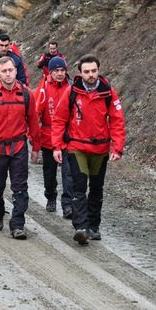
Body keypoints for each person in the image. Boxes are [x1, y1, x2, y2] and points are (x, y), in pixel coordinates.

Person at [51, 54, 125, 246]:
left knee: (97, 189)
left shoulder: (108, 92)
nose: (91, 75)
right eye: (87, 72)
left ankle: (93, 226)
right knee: (79, 186)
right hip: (77, 147)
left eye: (94, 71)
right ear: (80, 73)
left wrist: (117, 147)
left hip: (100, 149)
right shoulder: (71, 92)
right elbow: (59, 120)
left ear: (98, 71)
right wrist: (57, 146)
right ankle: (80, 228)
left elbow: (117, 120)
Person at [0, 57, 40, 240]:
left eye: (11, 70)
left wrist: (36, 146)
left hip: (18, 146)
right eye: (4, 71)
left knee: (20, 188)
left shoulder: (26, 94)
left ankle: (17, 224)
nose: (8, 74)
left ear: (16, 71)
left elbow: (33, 122)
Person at [36, 56, 74, 217]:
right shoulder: (43, 88)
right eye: (56, 71)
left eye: (62, 70)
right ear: (50, 72)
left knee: (69, 172)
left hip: (68, 137)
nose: (59, 74)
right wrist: (35, 139)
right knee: (49, 172)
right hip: (48, 137)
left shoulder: (71, 87)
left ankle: (68, 205)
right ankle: (50, 196)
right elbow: (36, 112)